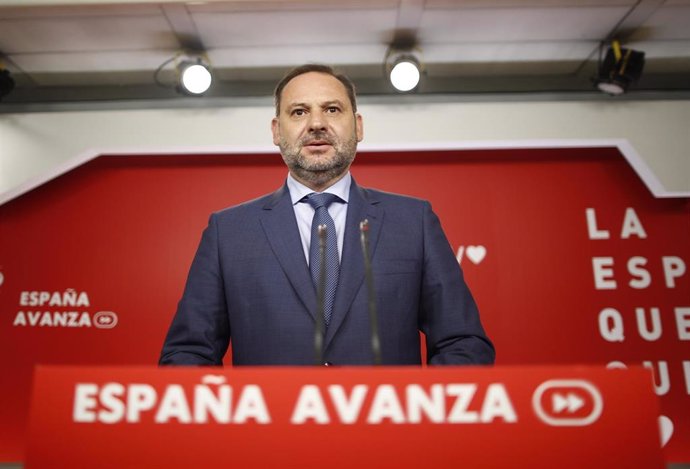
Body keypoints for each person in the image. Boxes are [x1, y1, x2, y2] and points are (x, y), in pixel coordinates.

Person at [159, 64, 495, 366]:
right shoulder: (228, 232)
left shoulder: (414, 221)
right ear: (277, 131)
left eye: (332, 109)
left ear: (358, 126)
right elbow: (189, 354)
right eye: (299, 112)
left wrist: (418, 419)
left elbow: (462, 342)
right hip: (271, 433)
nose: (317, 124)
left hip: (387, 432)